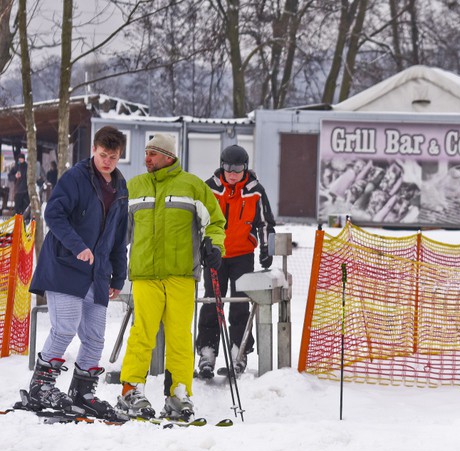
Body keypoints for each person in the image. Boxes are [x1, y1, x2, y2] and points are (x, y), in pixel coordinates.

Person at [116, 133, 226, 420]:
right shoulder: (134, 187)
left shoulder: (192, 186)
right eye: (146, 152)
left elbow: (215, 221)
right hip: (144, 275)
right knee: (142, 334)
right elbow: (119, 233)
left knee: (179, 337)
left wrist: (214, 244)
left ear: (168, 156)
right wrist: (109, 264)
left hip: (182, 274)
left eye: (152, 153)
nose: (146, 158)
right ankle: (130, 390)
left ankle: (179, 394)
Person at [24, 126, 129, 421]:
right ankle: (40, 387)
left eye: (113, 156)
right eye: (103, 154)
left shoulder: (121, 188)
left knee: (95, 337)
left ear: (120, 155)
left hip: (98, 274)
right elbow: (53, 214)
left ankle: (82, 392)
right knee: (65, 327)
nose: (107, 161)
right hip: (65, 267)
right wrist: (78, 246)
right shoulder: (75, 178)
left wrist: (118, 276)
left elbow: (119, 236)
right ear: (93, 150)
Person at [195, 145, 276, 378]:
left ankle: (238, 353)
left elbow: (265, 223)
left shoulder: (255, 191)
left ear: (245, 168)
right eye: (228, 168)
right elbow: (196, 220)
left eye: (237, 168)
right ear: (222, 166)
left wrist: (266, 248)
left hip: (242, 255)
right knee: (212, 302)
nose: (232, 173)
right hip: (215, 255)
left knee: (240, 304)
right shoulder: (209, 188)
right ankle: (207, 352)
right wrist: (202, 246)